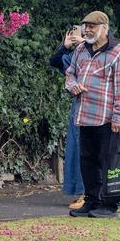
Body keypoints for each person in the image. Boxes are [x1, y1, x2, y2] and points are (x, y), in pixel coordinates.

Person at [64, 11, 120, 219]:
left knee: (107, 163)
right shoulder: (81, 50)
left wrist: (119, 117)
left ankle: (109, 205)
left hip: (107, 118)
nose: (87, 30)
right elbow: (70, 73)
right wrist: (73, 86)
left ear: (104, 28)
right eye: (86, 26)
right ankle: (91, 201)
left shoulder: (118, 53)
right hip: (84, 117)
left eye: (92, 26)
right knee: (87, 161)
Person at [49, 25, 85, 209]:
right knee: (76, 148)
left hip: (95, 105)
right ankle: (81, 192)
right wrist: (65, 45)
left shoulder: (95, 51)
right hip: (78, 106)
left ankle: (89, 193)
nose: (75, 35)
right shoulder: (74, 56)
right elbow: (55, 61)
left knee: (88, 149)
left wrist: (85, 43)